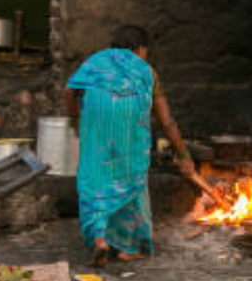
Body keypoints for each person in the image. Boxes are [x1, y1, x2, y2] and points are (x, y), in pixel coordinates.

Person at [64, 25, 198, 266]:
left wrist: (75, 117)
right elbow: (166, 121)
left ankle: (99, 240)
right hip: (128, 127)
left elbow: (69, 89)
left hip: (98, 121)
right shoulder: (146, 70)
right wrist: (184, 154)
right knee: (130, 178)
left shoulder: (95, 62)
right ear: (141, 49)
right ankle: (132, 247)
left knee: (95, 175)